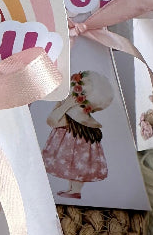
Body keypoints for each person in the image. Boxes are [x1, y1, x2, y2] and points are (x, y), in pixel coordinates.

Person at [42, 70, 113, 199]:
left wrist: (65, 105)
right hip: (74, 152)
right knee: (75, 168)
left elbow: (51, 120)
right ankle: (73, 190)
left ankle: (74, 191)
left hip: (72, 150)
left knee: (76, 167)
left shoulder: (71, 117)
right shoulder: (76, 117)